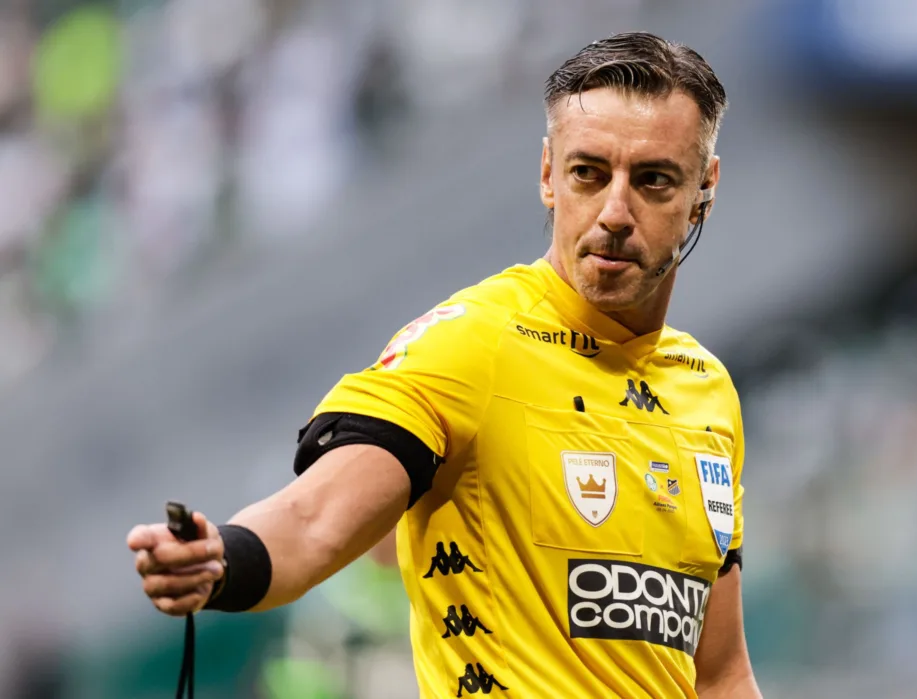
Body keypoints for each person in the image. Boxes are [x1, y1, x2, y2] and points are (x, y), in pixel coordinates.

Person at [127, 31, 761, 698]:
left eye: (654, 180)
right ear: (549, 174)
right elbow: (314, 520)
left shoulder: (707, 391)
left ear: (704, 190)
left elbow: (719, 673)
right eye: (589, 173)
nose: (613, 212)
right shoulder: (471, 343)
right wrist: (223, 559)